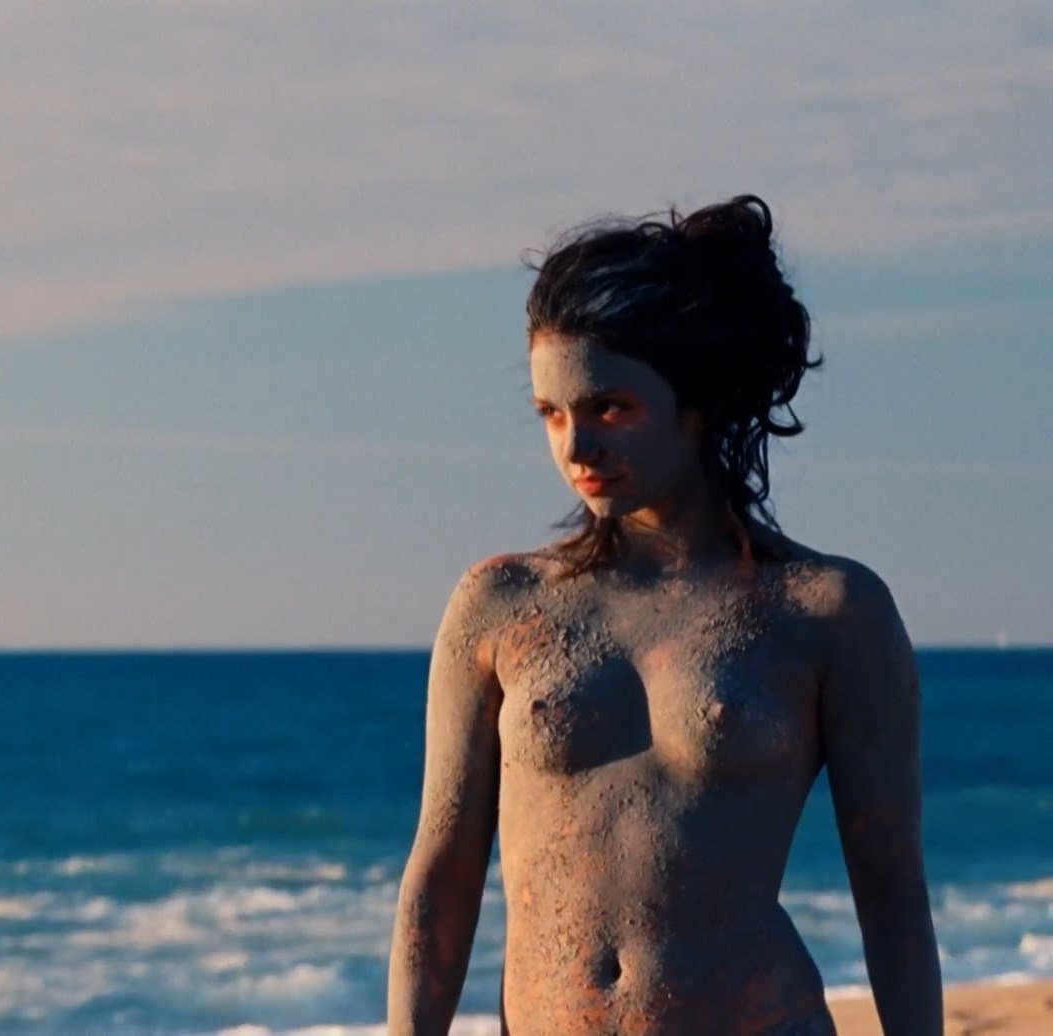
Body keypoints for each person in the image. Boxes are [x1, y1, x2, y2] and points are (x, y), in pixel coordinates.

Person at [386, 197, 941, 1034]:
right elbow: (442, 871)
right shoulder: (501, 605)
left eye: (610, 408)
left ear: (698, 404)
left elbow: (891, 889)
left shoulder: (825, 613)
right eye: (550, 414)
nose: (576, 447)